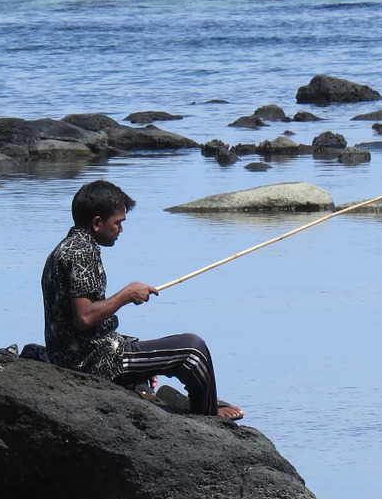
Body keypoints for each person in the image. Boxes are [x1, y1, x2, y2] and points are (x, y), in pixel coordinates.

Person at [42, 179, 244, 420]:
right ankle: (207, 417)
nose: (121, 229)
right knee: (193, 349)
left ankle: (166, 396)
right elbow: (84, 318)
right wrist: (126, 295)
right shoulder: (82, 251)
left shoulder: (63, 249)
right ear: (97, 223)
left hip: (75, 356)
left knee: (162, 358)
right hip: (89, 362)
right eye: (118, 223)